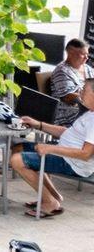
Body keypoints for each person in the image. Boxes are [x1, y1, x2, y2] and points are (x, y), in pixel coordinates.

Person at [15, 76, 94, 220]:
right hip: (64, 153)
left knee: (17, 160)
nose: (80, 92)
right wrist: (38, 124)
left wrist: (50, 149)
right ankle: (52, 196)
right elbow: (67, 132)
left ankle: (50, 202)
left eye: (84, 90)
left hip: (73, 163)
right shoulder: (90, 113)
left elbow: (85, 154)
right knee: (19, 147)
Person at [50, 38, 91, 127]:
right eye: (83, 54)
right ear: (71, 53)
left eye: (87, 54)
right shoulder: (62, 71)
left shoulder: (87, 68)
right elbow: (68, 97)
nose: (86, 57)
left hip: (86, 109)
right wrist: (90, 99)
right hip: (69, 112)